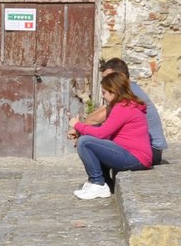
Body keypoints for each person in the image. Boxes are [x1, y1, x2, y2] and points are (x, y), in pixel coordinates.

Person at [68, 69, 153, 199]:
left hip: (135, 158)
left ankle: (98, 183)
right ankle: (101, 182)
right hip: (132, 154)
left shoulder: (123, 108)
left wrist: (77, 124)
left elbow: (101, 133)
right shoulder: (124, 106)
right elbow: (106, 130)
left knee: (85, 142)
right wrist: (80, 131)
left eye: (104, 92)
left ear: (114, 91)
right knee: (89, 141)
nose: (103, 96)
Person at [82, 58, 167, 165]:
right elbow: (103, 110)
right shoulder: (125, 91)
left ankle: (99, 179)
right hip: (144, 147)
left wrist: (77, 128)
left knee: (93, 140)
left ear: (121, 76)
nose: (104, 82)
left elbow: (96, 118)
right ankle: (103, 179)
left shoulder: (130, 93)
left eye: (108, 77)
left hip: (151, 150)